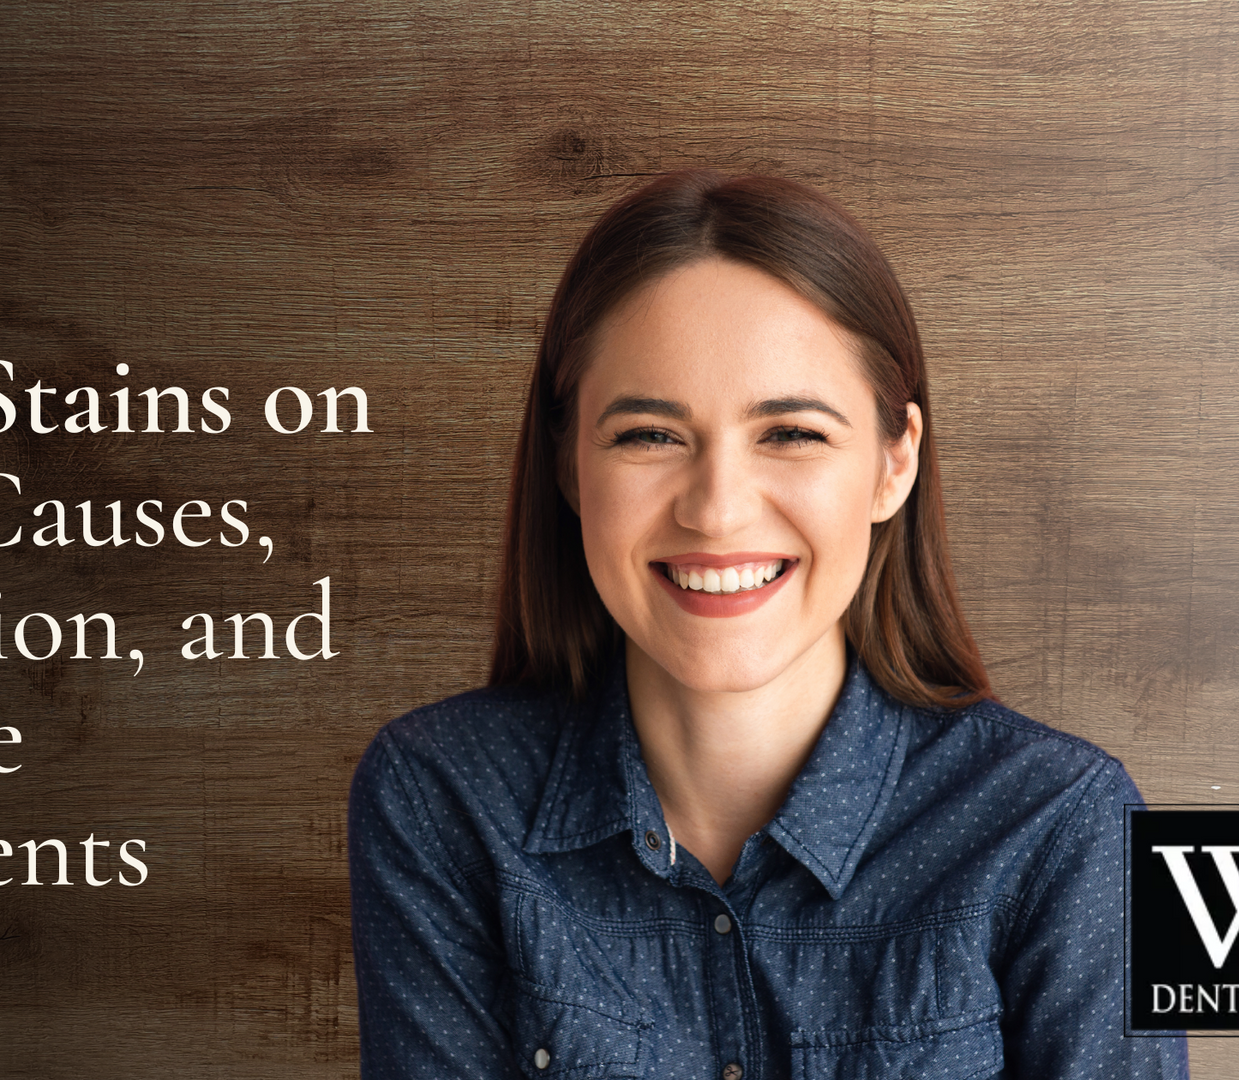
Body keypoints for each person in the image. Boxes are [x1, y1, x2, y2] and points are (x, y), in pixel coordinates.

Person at [348, 170, 1188, 1079]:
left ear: (893, 463)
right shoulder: (439, 801)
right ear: (566, 466)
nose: (716, 511)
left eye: (790, 433)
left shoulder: (1065, 824)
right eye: (649, 436)